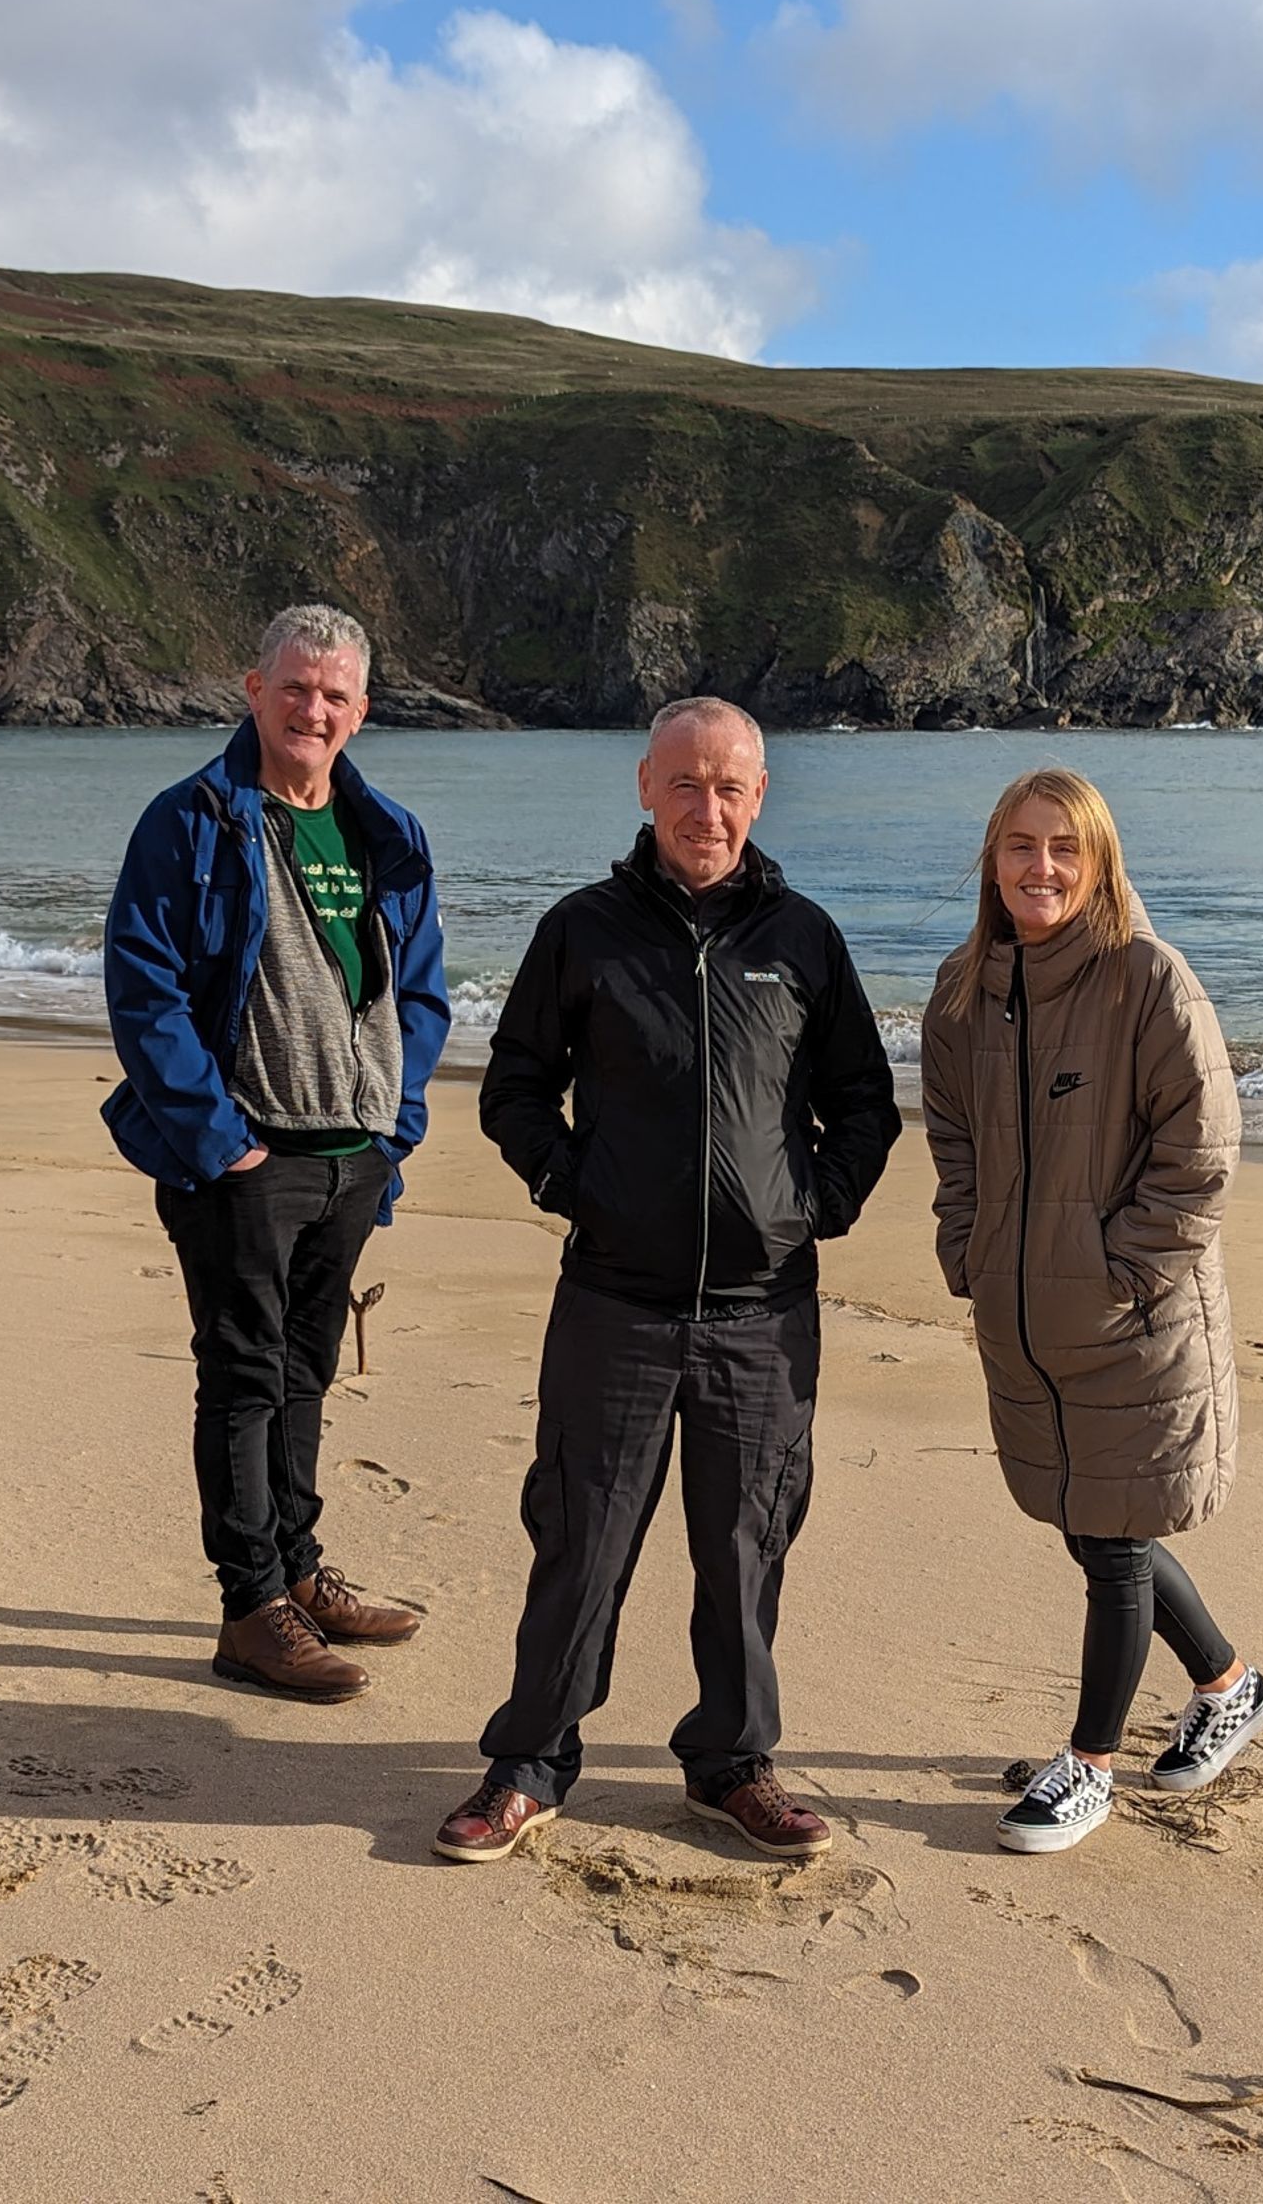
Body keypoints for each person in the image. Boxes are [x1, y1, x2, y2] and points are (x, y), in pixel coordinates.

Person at [433, 699, 902, 1864]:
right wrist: (578, 1185)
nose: (709, 807)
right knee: (580, 1539)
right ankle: (531, 1764)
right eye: (686, 783)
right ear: (645, 786)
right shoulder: (583, 932)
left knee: (746, 1548)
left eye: (732, 786)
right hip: (614, 1304)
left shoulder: (804, 939)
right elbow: (516, 1091)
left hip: (763, 1317)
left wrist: (808, 1212)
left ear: (760, 796)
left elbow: (867, 1106)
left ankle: (732, 1766)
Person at [918, 769, 1263, 1855]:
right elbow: (952, 1140)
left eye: (1064, 849)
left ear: (1100, 862)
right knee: (1094, 1524)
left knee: (1115, 1542)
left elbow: (1200, 1157)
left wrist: (1122, 1271)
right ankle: (1231, 1685)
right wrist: (967, 1248)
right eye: (1021, 847)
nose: (1041, 869)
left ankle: (1088, 1767)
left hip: (1136, 1318)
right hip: (1022, 1313)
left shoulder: (1148, 980)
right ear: (992, 860)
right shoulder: (964, 989)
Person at [103, 604, 451, 1703]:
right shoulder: (194, 820)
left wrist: (394, 1125)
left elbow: (423, 988)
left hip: (355, 1155)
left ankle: (299, 1569)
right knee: (244, 1375)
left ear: (361, 712)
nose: (313, 710)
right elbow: (144, 988)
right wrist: (222, 1143)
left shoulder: (384, 829)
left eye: (335, 695)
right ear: (253, 691)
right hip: (247, 1155)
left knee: (305, 1372)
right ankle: (248, 1607)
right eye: (295, 688)